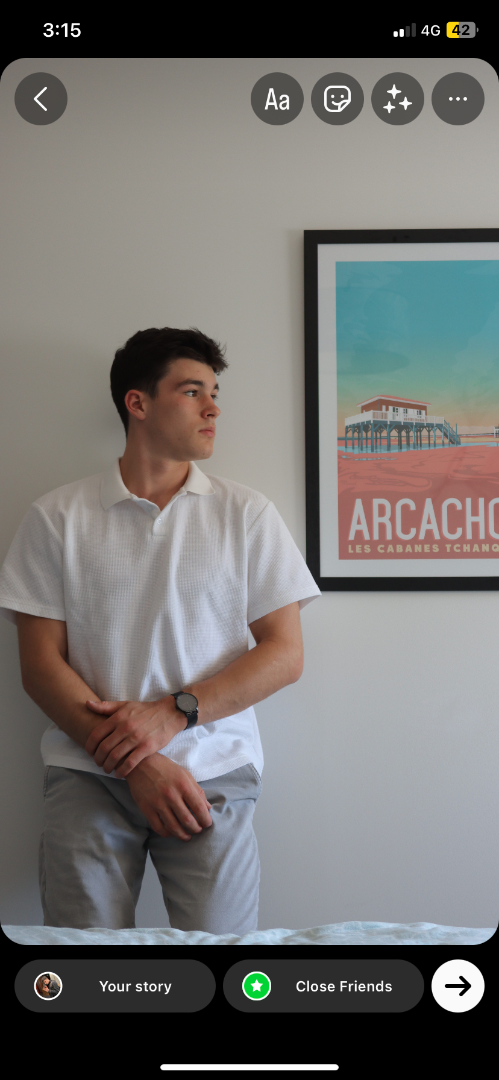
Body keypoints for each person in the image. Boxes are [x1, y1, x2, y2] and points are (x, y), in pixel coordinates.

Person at [0, 327, 321, 933]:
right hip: (88, 773)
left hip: (213, 771)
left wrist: (174, 713)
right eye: (193, 391)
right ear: (138, 403)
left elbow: (284, 654)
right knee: (85, 963)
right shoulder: (56, 517)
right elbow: (40, 668)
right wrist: (137, 762)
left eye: (215, 393)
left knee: (224, 955)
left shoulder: (247, 514)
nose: (213, 409)